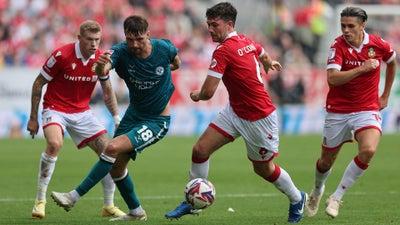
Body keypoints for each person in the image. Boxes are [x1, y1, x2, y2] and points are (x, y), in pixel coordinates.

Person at [165, 2, 307, 223]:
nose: (210, 29)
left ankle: (297, 198)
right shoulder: (245, 40)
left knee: (263, 169)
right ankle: (193, 200)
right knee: (201, 149)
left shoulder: (223, 50)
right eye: (208, 24)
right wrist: (269, 62)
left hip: (259, 118)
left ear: (229, 24)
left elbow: (209, 92)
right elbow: (260, 51)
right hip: (235, 112)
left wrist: (197, 96)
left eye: (214, 25)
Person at [50, 15, 181, 221]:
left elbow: (176, 62)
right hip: (133, 115)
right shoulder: (120, 52)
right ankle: (136, 211)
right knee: (117, 167)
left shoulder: (164, 48)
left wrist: (168, 69)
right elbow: (105, 67)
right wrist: (102, 67)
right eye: (130, 39)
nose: (135, 44)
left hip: (156, 121)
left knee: (110, 148)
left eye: (140, 39)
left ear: (148, 34)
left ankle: (73, 196)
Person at [27, 20, 125, 219]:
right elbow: (38, 83)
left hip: (82, 112)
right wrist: (33, 118)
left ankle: (108, 205)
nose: (94, 44)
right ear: (79, 38)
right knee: (54, 144)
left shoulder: (100, 60)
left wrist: (116, 118)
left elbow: (107, 92)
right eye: (89, 39)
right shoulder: (61, 55)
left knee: (110, 152)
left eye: (97, 40)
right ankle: (40, 201)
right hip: (55, 108)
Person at [304, 6, 396, 218]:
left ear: (362, 25)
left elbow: (392, 62)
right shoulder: (337, 46)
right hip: (338, 111)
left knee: (369, 150)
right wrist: (361, 69)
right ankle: (317, 191)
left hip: (367, 109)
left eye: (350, 26)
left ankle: (336, 196)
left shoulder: (377, 44)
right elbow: (333, 78)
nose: (346, 30)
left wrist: (385, 95)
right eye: (343, 26)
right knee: (325, 162)